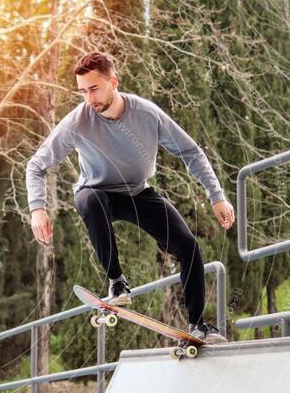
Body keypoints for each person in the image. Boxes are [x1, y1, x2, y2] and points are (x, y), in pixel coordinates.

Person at [26, 51, 235, 343]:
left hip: (138, 193)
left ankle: (198, 325)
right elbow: (36, 164)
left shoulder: (147, 114)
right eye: (83, 91)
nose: (89, 98)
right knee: (90, 200)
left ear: (114, 82)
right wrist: (37, 208)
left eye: (94, 89)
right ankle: (117, 282)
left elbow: (191, 151)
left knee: (188, 247)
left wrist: (217, 195)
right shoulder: (77, 122)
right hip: (97, 193)